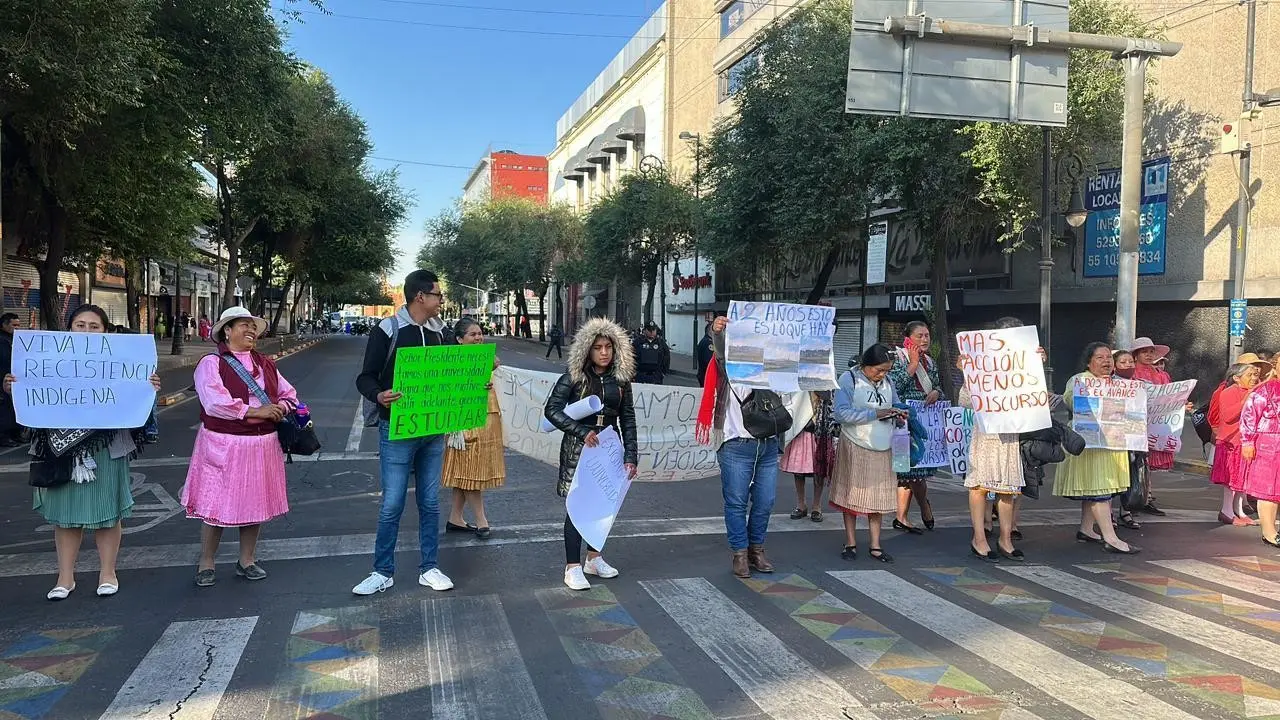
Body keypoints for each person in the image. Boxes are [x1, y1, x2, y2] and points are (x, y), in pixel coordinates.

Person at [5, 305, 161, 600]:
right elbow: (31, 401)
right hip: (59, 450)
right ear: (69, 329)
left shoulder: (119, 362)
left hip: (107, 448)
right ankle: (65, 578)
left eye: (94, 326)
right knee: (64, 517)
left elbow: (138, 410)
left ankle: (108, 573)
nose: (86, 331)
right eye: (80, 325)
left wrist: (148, 389)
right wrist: (16, 387)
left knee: (108, 513)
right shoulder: (48, 361)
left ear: (105, 331)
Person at [352, 269, 458, 595]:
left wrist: (478, 377)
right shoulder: (388, 330)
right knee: (392, 503)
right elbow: (365, 377)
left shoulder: (442, 333)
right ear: (419, 297)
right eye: (438, 294)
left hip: (433, 430)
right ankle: (382, 571)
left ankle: (430, 568)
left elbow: (456, 371)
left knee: (430, 502)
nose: (442, 300)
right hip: (396, 429)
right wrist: (379, 395)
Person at [183, 306, 297, 587]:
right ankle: (206, 562)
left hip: (261, 445)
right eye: (243, 325)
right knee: (215, 504)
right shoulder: (212, 363)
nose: (250, 330)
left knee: (254, 502)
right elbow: (214, 402)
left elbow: (289, 394)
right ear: (227, 331)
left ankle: (247, 559)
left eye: (252, 326)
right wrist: (256, 412)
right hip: (224, 444)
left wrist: (280, 407)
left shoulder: (266, 363)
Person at [696, 315, 804, 578]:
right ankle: (740, 554)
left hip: (767, 444)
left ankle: (757, 550)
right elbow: (719, 347)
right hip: (735, 444)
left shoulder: (772, 367)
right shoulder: (728, 363)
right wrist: (717, 331)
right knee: (736, 502)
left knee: (765, 501)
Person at [543, 318, 638, 590]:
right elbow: (552, 411)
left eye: (609, 346)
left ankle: (593, 559)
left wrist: (631, 455)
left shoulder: (621, 381)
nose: (604, 352)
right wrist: (580, 432)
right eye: (598, 347)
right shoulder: (574, 377)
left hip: (609, 448)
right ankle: (572, 567)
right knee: (577, 507)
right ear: (588, 350)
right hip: (579, 447)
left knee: (604, 505)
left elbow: (628, 419)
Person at [961, 317, 1044, 561]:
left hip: (1011, 433)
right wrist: (968, 372)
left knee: (1008, 489)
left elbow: (1034, 398)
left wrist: (1036, 368)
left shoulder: (1024, 364)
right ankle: (979, 537)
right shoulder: (979, 364)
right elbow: (965, 400)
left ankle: (1005, 538)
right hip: (986, 433)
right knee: (979, 486)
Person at [1054, 342, 1138, 553]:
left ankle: (1087, 529)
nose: (1106, 361)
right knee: (1100, 489)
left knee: (1097, 488)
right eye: (1100, 357)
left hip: (1112, 441)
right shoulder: (1079, 380)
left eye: (1108, 357)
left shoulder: (1120, 383)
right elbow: (1071, 402)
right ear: (1089, 361)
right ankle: (1111, 538)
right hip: (1090, 443)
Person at [829, 343, 901, 563]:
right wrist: (875, 414)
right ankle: (850, 542)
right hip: (855, 443)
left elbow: (896, 403)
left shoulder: (888, 382)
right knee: (852, 495)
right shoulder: (848, 380)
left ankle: (875, 544)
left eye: (886, 370)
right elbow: (841, 414)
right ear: (865, 365)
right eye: (878, 370)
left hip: (883, 446)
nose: (882, 374)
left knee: (877, 498)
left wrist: (899, 413)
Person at [442, 318, 504, 540]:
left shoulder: (486, 359)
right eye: (472, 334)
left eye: (480, 333)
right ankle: (481, 520)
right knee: (470, 470)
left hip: (487, 417)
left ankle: (455, 518)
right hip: (465, 420)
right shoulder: (452, 362)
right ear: (460, 339)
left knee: (464, 470)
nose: (479, 337)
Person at [887, 321, 941, 532]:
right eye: (920, 336)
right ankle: (904, 516)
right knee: (904, 471)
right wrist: (912, 364)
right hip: (902, 419)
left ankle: (918, 507)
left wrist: (936, 392)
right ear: (908, 338)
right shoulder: (897, 358)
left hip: (924, 420)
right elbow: (893, 386)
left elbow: (938, 386)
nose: (925, 339)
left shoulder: (930, 362)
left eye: (927, 335)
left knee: (918, 471)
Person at [1210, 359, 1268, 525]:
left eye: (1255, 375)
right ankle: (1226, 511)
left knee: (1242, 480)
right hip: (1231, 442)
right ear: (1236, 377)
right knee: (1230, 480)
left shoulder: (1254, 392)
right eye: (1249, 375)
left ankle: (1239, 510)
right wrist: (1245, 401)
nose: (1254, 378)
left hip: (1246, 442)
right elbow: (1227, 417)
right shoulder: (1228, 392)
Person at [1240, 372, 1280, 547]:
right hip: (1269, 443)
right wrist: (1247, 442)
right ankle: (1269, 532)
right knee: (1268, 489)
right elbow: (1249, 416)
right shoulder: (1265, 390)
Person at [783, 391, 835, 523]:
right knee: (798, 471)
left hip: (819, 427)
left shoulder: (825, 376)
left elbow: (828, 396)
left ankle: (817, 506)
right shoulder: (798, 375)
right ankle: (801, 504)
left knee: (819, 470)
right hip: (799, 427)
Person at [0, 312, 22, 446]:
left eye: (19, 325)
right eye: (14, 325)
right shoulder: (2, 340)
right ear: (4, 325)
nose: (17, 328)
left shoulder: (14, 339)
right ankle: (4, 436)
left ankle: (14, 434)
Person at [696, 320, 715, 387]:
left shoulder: (704, 341)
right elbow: (709, 360)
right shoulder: (708, 343)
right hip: (707, 375)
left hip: (703, 374)